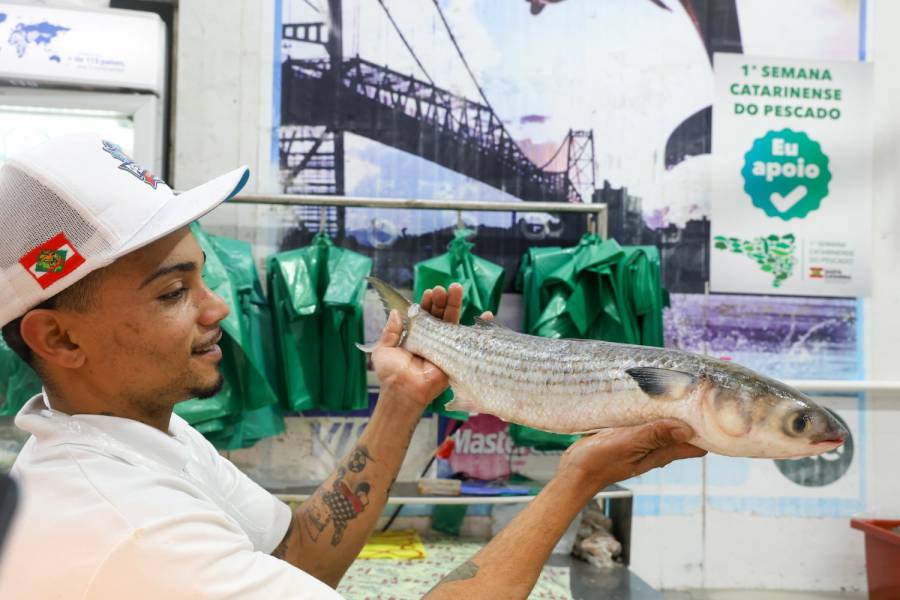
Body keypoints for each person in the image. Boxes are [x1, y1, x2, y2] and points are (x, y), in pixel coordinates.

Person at [0, 134, 706, 599]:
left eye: (203, 278)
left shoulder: (141, 440)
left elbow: (301, 555)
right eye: (173, 293)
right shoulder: (127, 530)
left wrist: (403, 395)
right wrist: (576, 476)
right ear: (59, 340)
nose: (217, 309)